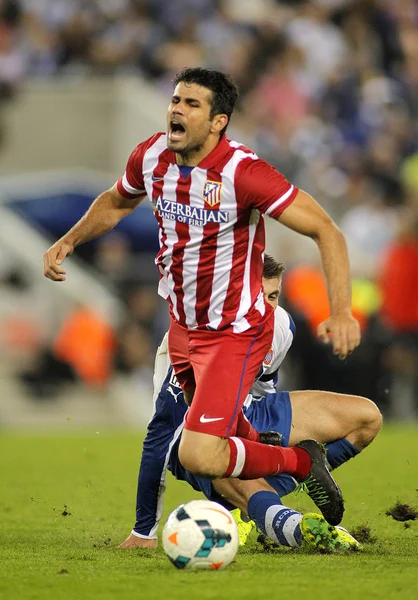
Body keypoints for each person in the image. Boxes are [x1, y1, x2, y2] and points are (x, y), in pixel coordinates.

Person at [43, 67, 360, 525]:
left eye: (191, 104)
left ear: (218, 122)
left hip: (234, 332)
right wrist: (69, 241)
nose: (176, 109)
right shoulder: (152, 155)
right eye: (175, 100)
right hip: (181, 327)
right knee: (224, 436)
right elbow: (116, 201)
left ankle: (301, 464)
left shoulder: (243, 173)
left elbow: (325, 229)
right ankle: (279, 473)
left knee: (198, 453)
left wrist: (343, 310)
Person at [119, 255, 381, 551]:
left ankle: (261, 504)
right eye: (259, 297)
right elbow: (161, 435)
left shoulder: (281, 325)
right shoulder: (199, 338)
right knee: (226, 467)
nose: (267, 307)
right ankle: (298, 530)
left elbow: (264, 383)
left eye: (273, 296)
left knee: (367, 418)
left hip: (251, 411)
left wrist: (265, 444)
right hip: (196, 434)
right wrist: (144, 532)